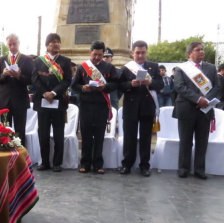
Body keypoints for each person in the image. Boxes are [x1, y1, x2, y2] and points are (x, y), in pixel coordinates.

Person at [173, 42, 219, 179]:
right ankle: (183, 168)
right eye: (198, 50)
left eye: (202, 49)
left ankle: (199, 169)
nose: (202, 52)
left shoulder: (211, 68)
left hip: (205, 109)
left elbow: (217, 87)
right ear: (189, 53)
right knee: (185, 140)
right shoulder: (181, 68)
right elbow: (180, 87)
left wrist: (207, 100)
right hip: (186, 108)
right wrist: (198, 99)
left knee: (202, 141)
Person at [72, 41, 118, 174]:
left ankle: (98, 164)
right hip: (86, 105)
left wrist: (105, 87)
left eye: (99, 55)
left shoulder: (109, 67)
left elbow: (115, 84)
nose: (97, 57)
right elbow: (74, 85)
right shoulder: (82, 67)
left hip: (101, 105)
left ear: (103, 54)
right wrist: (83, 88)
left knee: (99, 136)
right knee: (86, 135)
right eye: (94, 54)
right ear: (90, 52)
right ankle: (85, 163)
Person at [119, 40, 163, 177]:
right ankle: (127, 164)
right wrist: (130, 84)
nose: (140, 55)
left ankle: (144, 165)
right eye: (137, 52)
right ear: (132, 53)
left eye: (143, 52)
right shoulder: (126, 68)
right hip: (130, 106)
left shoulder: (154, 67)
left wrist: (150, 82)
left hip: (147, 107)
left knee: (146, 138)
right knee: (129, 138)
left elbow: (161, 85)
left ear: (146, 52)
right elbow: (119, 86)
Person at [32, 33, 72, 172]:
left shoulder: (66, 61)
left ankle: (57, 163)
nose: (56, 44)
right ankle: (44, 162)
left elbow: (67, 80)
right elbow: (35, 80)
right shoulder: (38, 61)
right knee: (43, 134)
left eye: (58, 42)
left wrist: (54, 93)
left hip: (59, 102)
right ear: (47, 45)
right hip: (42, 102)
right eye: (52, 42)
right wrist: (44, 93)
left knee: (58, 134)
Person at [0, 33, 33, 145]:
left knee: (20, 131)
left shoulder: (27, 59)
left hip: (20, 100)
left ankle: (21, 158)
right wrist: (3, 74)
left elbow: (31, 80)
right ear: (7, 45)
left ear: (19, 44)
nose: (12, 46)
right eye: (10, 44)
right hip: (4, 101)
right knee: (5, 131)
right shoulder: (2, 59)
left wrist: (19, 76)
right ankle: (8, 157)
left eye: (14, 44)